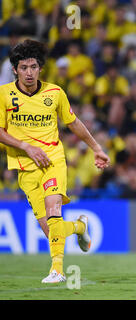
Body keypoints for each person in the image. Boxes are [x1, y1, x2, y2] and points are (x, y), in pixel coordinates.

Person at [0, 39, 110, 283]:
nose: (29, 72)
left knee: (53, 211)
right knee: (51, 231)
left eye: (33, 67)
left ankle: (57, 271)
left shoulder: (55, 93)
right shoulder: (4, 95)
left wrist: (96, 148)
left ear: (41, 68)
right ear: (15, 70)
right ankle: (80, 227)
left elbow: (74, 123)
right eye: (23, 67)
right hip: (24, 167)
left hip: (53, 161)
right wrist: (26, 147)